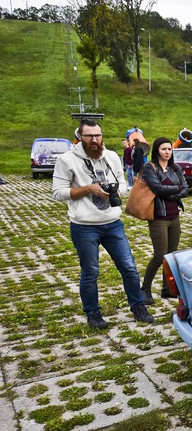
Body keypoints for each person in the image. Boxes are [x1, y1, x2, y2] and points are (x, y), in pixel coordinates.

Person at [52, 118, 153, 328]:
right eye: (89, 136)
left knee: (129, 268)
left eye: (98, 135)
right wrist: (88, 189)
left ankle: (138, 307)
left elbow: (123, 182)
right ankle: (93, 313)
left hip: (113, 223)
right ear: (80, 137)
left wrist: (116, 190)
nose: (94, 140)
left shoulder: (111, 156)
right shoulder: (67, 160)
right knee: (90, 272)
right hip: (84, 226)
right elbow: (58, 193)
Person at [139, 137, 189, 304]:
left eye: (169, 149)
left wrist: (172, 192)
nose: (167, 152)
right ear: (156, 150)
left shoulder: (175, 168)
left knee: (171, 256)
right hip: (158, 217)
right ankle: (145, 289)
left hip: (174, 217)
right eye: (163, 149)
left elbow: (186, 189)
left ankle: (167, 289)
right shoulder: (149, 167)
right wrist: (177, 189)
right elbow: (157, 188)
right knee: (160, 255)